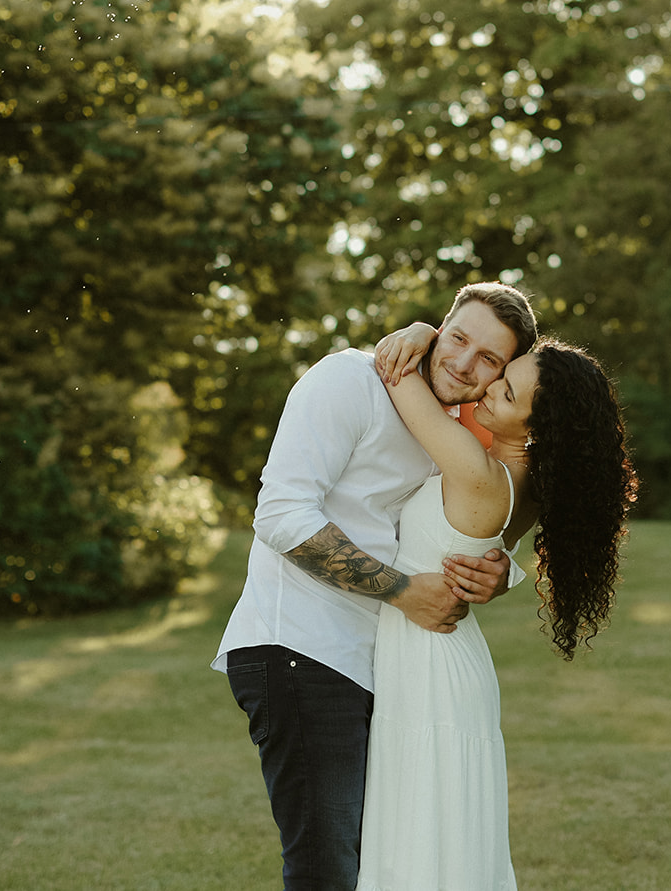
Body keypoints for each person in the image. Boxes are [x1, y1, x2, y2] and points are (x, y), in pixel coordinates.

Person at [213, 282, 538, 891]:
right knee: (326, 866)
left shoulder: (452, 422)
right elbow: (282, 515)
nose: (464, 363)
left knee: (374, 865)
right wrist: (400, 591)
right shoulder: (349, 380)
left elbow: (484, 506)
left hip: (379, 665)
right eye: (458, 339)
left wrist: (500, 570)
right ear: (439, 327)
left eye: (488, 359)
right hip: (300, 649)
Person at [355, 323, 637, 891]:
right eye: (501, 377)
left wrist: (423, 332)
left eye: (505, 392)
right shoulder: (526, 484)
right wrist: (505, 570)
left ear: (539, 428)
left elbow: (398, 373)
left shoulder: (477, 471)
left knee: (420, 838)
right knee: (434, 837)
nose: (485, 388)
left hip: (429, 661)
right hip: (441, 654)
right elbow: (491, 552)